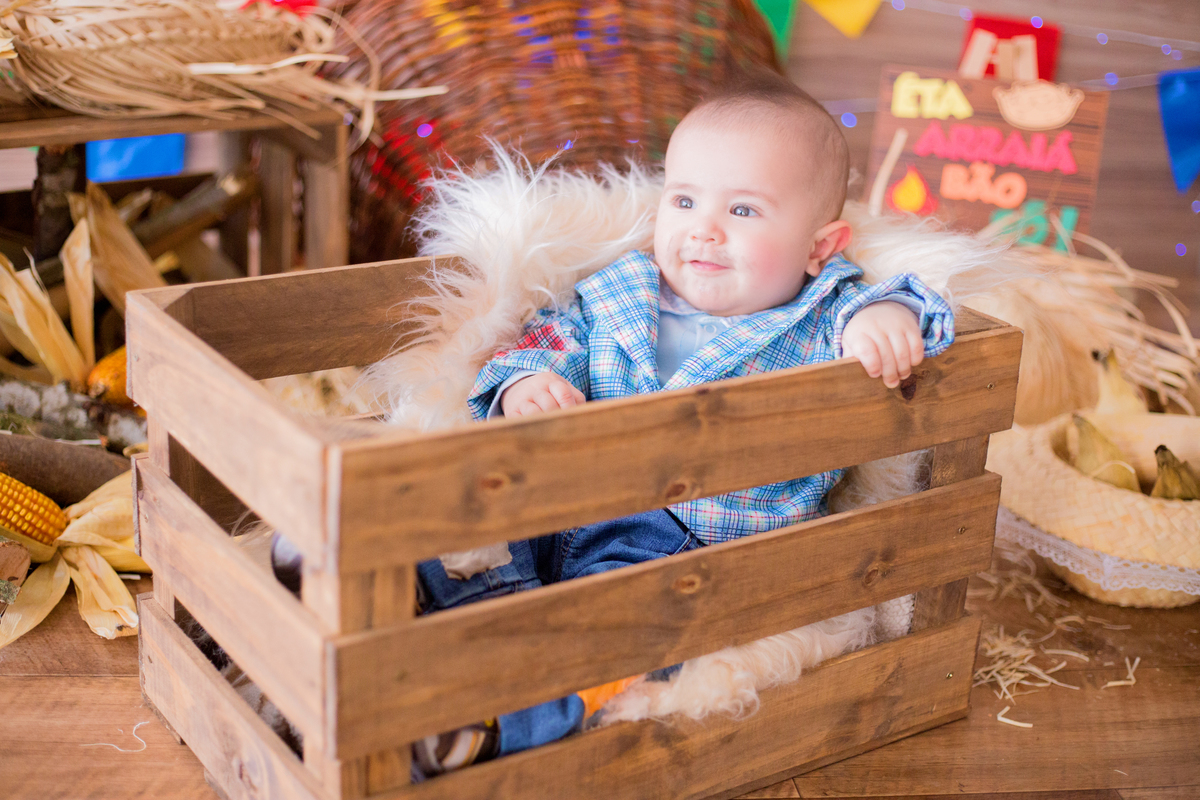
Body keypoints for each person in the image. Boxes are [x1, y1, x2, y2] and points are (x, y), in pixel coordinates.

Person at [411, 70, 954, 777]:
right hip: (567, 494)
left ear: (821, 247)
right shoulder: (620, 286)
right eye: (686, 199)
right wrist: (528, 382)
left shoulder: (824, 313)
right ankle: (387, 586)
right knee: (469, 532)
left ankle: (491, 727)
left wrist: (890, 319)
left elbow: (919, 302)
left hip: (691, 547)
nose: (703, 228)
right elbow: (552, 334)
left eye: (745, 211)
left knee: (616, 643)